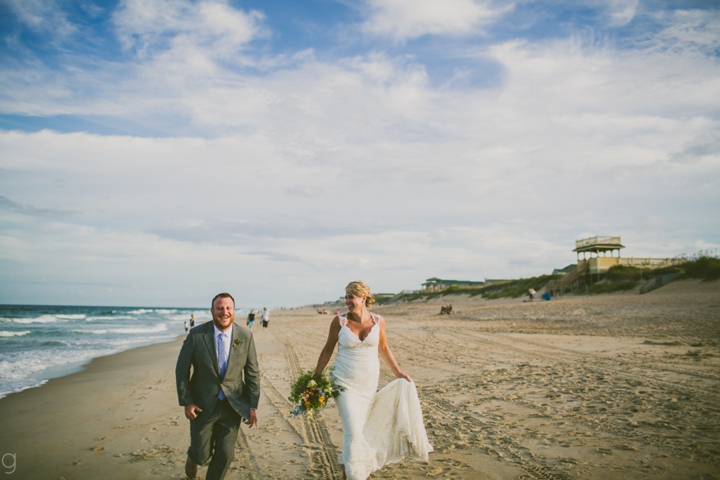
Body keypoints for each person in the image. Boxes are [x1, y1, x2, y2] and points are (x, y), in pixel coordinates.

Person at [314, 281, 432, 480]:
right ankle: (355, 475)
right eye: (346, 297)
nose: (347, 301)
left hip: (368, 382)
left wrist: (398, 372)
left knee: (360, 428)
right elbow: (327, 350)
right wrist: (315, 378)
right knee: (352, 427)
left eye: (351, 297)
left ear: (363, 298)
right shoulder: (338, 322)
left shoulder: (378, 321)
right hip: (343, 382)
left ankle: (347, 466)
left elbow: (384, 348)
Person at [176, 293, 260, 480]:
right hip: (202, 405)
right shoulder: (197, 335)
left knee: (225, 454)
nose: (224, 312)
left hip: (233, 405)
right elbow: (182, 370)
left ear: (234, 311)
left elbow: (252, 373)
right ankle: (193, 459)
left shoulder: (245, 336)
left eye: (228, 308)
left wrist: (252, 405)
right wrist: (187, 402)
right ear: (212, 311)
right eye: (220, 308)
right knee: (201, 454)